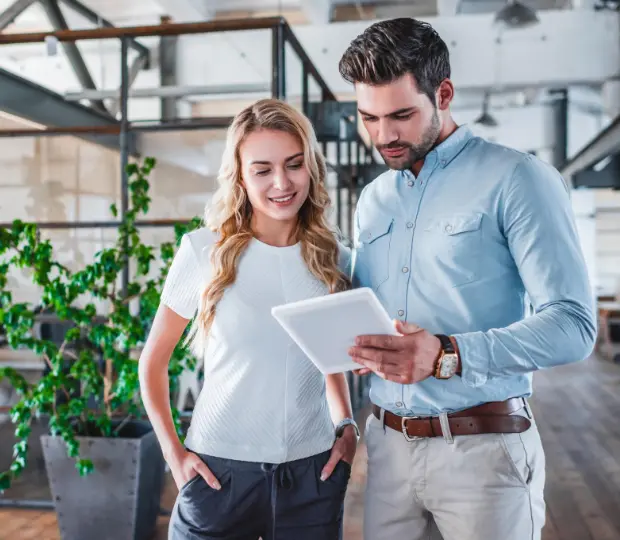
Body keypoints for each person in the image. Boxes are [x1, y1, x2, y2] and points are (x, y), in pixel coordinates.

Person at [338, 17, 597, 540]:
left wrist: (447, 353)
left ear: (445, 93)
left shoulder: (517, 179)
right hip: (386, 451)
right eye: (368, 118)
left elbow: (574, 325)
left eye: (402, 115)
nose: (384, 135)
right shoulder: (373, 199)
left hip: (484, 454)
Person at [138, 98, 359, 540]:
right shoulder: (204, 251)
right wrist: (174, 456)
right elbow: (152, 363)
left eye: (294, 164)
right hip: (217, 476)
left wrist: (347, 427)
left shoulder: (335, 258)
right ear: (239, 175)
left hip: (312, 475)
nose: (281, 182)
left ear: (312, 167)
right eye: (262, 169)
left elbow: (328, 358)